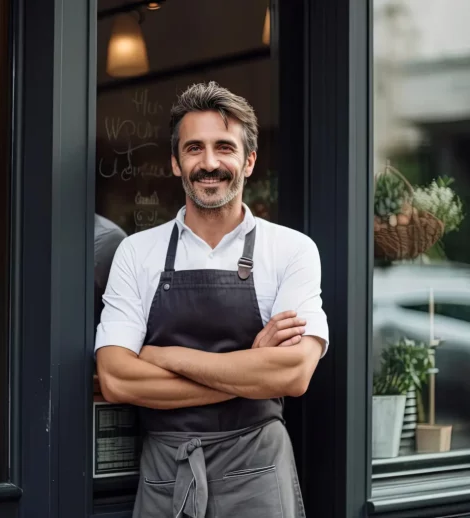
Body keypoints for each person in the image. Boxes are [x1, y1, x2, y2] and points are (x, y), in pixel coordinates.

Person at [94, 82, 329, 518]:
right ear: (175, 162)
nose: (209, 163)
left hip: (258, 473)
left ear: (249, 160)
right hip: (167, 473)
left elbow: (294, 374)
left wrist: (163, 356)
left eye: (224, 147)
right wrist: (250, 372)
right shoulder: (137, 252)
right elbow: (117, 380)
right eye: (194, 148)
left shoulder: (292, 249)